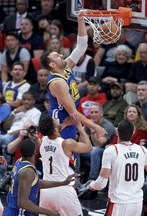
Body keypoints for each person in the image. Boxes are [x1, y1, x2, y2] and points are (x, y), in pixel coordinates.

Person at [40, 12, 107, 141]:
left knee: (71, 157)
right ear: (53, 64)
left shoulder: (66, 67)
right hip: (59, 123)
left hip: (70, 119)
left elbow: (81, 46)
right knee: (65, 157)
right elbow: (74, 113)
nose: (60, 55)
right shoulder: (57, 83)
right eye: (56, 56)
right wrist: (95, 127)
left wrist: (81, 20)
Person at [89, 119, 147, 216]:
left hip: (119, 203)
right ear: (132, 133)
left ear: (117, 133)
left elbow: (101, 183)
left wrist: (92, 185)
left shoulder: (111, 150)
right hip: (137, 203)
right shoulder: (143, 150)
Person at [3, 139, 77, 216]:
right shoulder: (28, 171)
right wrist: (49, 212)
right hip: (19, 213)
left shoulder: (19, 162)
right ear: (35, 151)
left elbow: (35, 183)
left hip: (14, 211)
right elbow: (22, 203)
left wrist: (62, 183)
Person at [38, 115, 92, 216]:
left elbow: (53, 130)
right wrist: (79, 127)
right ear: (55, 129)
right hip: (63, 190)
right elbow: (88, 147)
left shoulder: (43, 140)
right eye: (55, 120)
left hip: (46, 190)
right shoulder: (67, 143)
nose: (57, 119)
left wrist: (66, 123)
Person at [79, 102, 116, 199]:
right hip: (90, 150)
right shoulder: (89, 123)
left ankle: (92, 180)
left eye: (96, 112)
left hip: (104, 152)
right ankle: (76, 176)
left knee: (95, 150)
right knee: (76, 149)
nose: (93, 115)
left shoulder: (108, 126)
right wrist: (83, 131)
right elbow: (81, 143)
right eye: (92, 112)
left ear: (101, 114)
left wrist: (93, 130)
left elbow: (99, 144)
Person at [0, 91, 41, 164]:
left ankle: (6, 164)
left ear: (33, 101)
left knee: (5, 139)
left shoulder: (36, 112)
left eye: (28, 100)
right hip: (8, 133)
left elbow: (32, 128)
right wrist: (15, 112)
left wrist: (16, 132)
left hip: (19, 135)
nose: (26, 101)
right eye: (24, 99)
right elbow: (5, 127)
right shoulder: (18, 110)